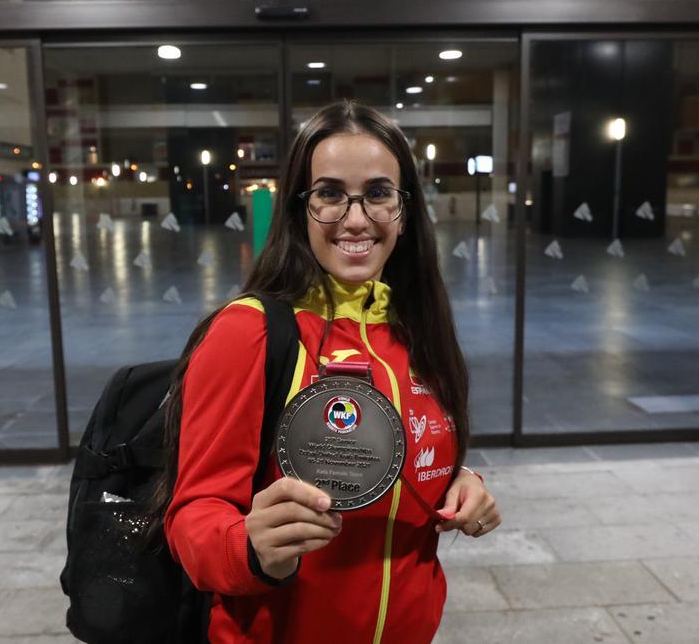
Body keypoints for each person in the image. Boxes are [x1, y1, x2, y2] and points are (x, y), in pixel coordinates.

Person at [161, 100, 501, 643]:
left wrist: (459, 481)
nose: (356, 218)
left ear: (405, 210)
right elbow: (193, 516)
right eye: (330, 194)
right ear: (299, 209)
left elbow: (402, 456)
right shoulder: (249, 332)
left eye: (378, 193)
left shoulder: (417, 329)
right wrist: (249, 546)